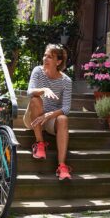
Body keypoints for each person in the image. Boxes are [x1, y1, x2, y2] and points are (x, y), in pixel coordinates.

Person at [23, 44, 73, 180]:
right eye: (45, 55)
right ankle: (40, 143)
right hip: (33, 118)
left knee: (63, 119)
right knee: (35, 99)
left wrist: (50, 115)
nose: (45, 58)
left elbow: (66, 108)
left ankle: (62, 166)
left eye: (50, 57)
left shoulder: (66, 81)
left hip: (50, 121)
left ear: (58, 62)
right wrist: (44, 90)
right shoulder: (37, 71)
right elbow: (29, 91)